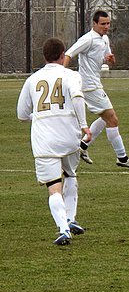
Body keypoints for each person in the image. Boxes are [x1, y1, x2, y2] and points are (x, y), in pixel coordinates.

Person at [17, 38, 92, 245]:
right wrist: (84, 125)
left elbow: (21, 114)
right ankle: (71, 218)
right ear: (62, 55)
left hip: (44, 140)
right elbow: (77, 97)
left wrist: (40, 116)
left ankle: (63, 229)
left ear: (44, 57)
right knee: (70, 174)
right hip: (69, 136)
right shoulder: (72, 75)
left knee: (53, 186)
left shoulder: (32, 79)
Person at [64, 10, 129, 169]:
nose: (106, 27)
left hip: (95, 83)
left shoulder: (104, 39)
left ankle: (83, 146)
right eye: (103, 24)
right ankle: (122, 157)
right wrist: (61, 73)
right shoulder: (87, 39)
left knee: (105, 117)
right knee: (112, 119)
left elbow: (108, 58)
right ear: (94, 24)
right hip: (88, 86)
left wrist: (110, 59)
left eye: (108, 24)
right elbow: (68, 54)